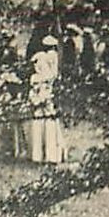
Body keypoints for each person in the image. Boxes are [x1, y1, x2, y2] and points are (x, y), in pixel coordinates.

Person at [27, 35, 67, 164]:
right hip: (39, 103)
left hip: (47, 102)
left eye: (39, 64)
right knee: (38, 128)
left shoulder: (48, 74)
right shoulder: (35, 77)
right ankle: (38, 156)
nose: (37, 67)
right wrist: (35, 99)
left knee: (49, 127)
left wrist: (43, 97)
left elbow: (48, 87)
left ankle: (52, 156)